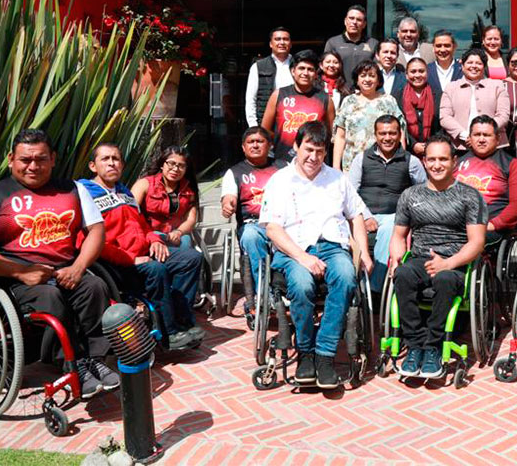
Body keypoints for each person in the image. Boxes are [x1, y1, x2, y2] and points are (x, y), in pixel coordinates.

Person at [0, 129, 117, 399]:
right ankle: (72, 364)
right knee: (50, 296)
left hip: (67, 269)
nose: (33, 166)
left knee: (95, 287)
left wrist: (79, 267)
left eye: (41, 159)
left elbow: (96, 231)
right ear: (11, 159)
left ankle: (96, 360)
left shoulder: (74, 189)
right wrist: (22, 272)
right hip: (14, 277)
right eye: (25, 160)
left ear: (53, 159)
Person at [259, 121, 373, 388]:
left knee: (346, 278)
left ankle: (324, 354)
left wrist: (365, 253)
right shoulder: (280, 181)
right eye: (308, 149)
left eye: (320, 151)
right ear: (296, 146)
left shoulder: (337, 178)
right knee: (300, 284)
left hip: (332, 247)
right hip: (293, 249)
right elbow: (273, 229)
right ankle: (306, 352)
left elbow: (356, 215)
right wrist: (303, 257)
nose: (313, 157)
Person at [82, 143, 205, 351]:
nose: (112, 163)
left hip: (142, 253)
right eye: (106, 159)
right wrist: (130, 259)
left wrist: (154, 240)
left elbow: (141, 225)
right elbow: (90, 241)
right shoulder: (85, 194)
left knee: (191, 259)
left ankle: (182, 320)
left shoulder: (124, 193)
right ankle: (169, 334)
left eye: (116, 159)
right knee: (155, 269)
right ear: (93, 166)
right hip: (115, 264)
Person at [389, 134, 487, 378]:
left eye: (443, 159)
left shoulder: (470, 196)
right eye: (431, 159)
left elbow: (477, 242)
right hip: (420, 259)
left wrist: (448, 263)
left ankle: (432, 346)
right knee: (402, 275)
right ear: (423, 161)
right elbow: (399, 236)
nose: (436, 164)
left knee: (444, 280)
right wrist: (396, 258)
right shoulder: (410, 195)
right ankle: (414, 345)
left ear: (454, 162)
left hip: (455, 263)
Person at [349, 115, 426, 292]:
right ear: (375, 136)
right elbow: (350, 194)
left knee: (391, 227)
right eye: (382, 133)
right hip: (364, 214)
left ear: (400, 135)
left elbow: (422, 193)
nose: (387, 138)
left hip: (394, 216)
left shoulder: (411, 161)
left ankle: (375, 287)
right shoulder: (361, 159)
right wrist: (366, 217)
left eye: (392, 133)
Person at [220, 127, 285, 321]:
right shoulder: (234, 172)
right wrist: (227, 205)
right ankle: (265, 292)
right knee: (249, 235)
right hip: (254, 225)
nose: (255, 145)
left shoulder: (284, 167)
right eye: (251, 142)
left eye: (260, 141)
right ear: (243, 147)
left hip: (283, 223)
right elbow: (229, 197)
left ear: (270, 145)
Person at [455, 115, 517, 239]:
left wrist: (494, 224)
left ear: (498, 138)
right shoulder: (456, 163)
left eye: (487, 135)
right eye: (477, 135)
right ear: (470, 138)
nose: (481, 139)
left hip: (490, 227)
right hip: (456, 225)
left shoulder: (512, 164)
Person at [261, 49, 336, 162]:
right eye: (301, 68)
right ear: (293, 71)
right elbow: (265, 130)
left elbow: (331, 134)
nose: (305, 73)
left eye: (310, 69)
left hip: (314, 163)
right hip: (281, 160)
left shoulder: (326, 99)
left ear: (316, 74)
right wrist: (281, 140)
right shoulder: (278, 95)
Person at [332, 59, 406, 172]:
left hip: (384, 165)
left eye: (372, 76)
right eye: (363, 75)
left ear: (378, 81)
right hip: (352, 165)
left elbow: (400, 134)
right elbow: (340, 136)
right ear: (357, 80)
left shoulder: (388, 101)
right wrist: (336, 167)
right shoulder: (348, 101)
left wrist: (401, 162)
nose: (367, 79)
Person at [439, 48, 511, 150]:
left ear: (484, 66)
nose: (474, 66)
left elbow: (503, 115)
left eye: (478, 63)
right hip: (460, 146)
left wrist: (485, 134)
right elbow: (445, 117)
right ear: (462, 66)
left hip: (494, 146)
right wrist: (465, 135)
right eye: (469, 63)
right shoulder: (451, 88)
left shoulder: (498, 86)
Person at [131, 145, 200, 250]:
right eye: (171, 163)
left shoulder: (189, 191)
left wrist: (179, 232)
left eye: (181, 166)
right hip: (148, 233)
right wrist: (151, 236)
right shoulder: (144, 184)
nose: (176, 169)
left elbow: (190, 219)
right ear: (162, 165)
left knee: (185, 243)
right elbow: (130, 213)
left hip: (176, 234)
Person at [245, 27, 293, 127]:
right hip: (267, 122)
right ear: (271, 44)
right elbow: (251, 99)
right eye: (277, 39)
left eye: (285, 39)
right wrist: (253, 126)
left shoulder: (298, 65)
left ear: (291, 44)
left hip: (293, 120)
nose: (282, 42)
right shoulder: (258, 66)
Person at [399, 57, 440, 160]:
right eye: (413, 71)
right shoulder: (398, 96)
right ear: (406, 75)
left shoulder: (438, 95)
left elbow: (441, 126)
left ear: (427, 73)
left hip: (434, 152)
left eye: (421, 71)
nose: (417, 75)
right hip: (407, 153)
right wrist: (413, 145)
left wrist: (430, 145)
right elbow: (398, 126)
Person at [324, 5, 378, 81]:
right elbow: (326, 69)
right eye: (351, 18)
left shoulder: (373, 44)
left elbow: (377, 71)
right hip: (339, 89)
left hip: (364, 91)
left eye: (359, 20)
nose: (354, 22)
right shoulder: (333, 43)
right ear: (345, 21)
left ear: (364, 24)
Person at [426, 30, 462, 98]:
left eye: (447, 45)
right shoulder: (426, 70)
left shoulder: (463, 70)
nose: (442, 50)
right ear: (433, 48)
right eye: (438, 46)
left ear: (454, 47)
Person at [377, 38, 407, 104]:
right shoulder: (370, 77)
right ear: (377, 55)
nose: (389, 56)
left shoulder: (404, 78)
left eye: (393, 53)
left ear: (397, 56)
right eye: (385, 52)